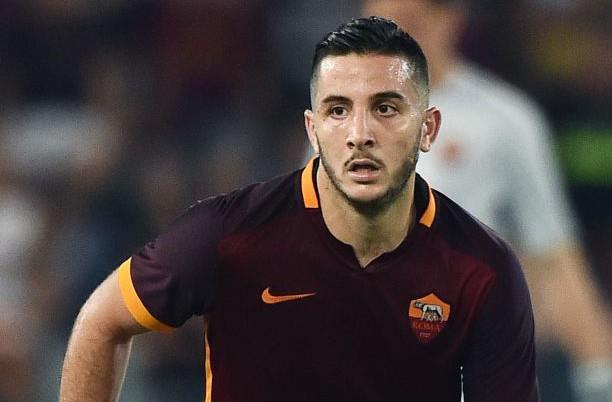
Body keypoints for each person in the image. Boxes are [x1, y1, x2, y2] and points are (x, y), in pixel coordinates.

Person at [60, 17, 539, 402]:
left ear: (428, 129)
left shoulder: (483, 268)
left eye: (386, 108)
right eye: (338, 110)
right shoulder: (227, 235)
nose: (360, 134)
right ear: (312, 130)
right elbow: (101, 323)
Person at [360, 1, 612, 401]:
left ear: (451, 20)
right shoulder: (338, 121)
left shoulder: (504, 122)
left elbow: (555, 261)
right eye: (386, 19)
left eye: (414, 19)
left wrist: (600, 374)